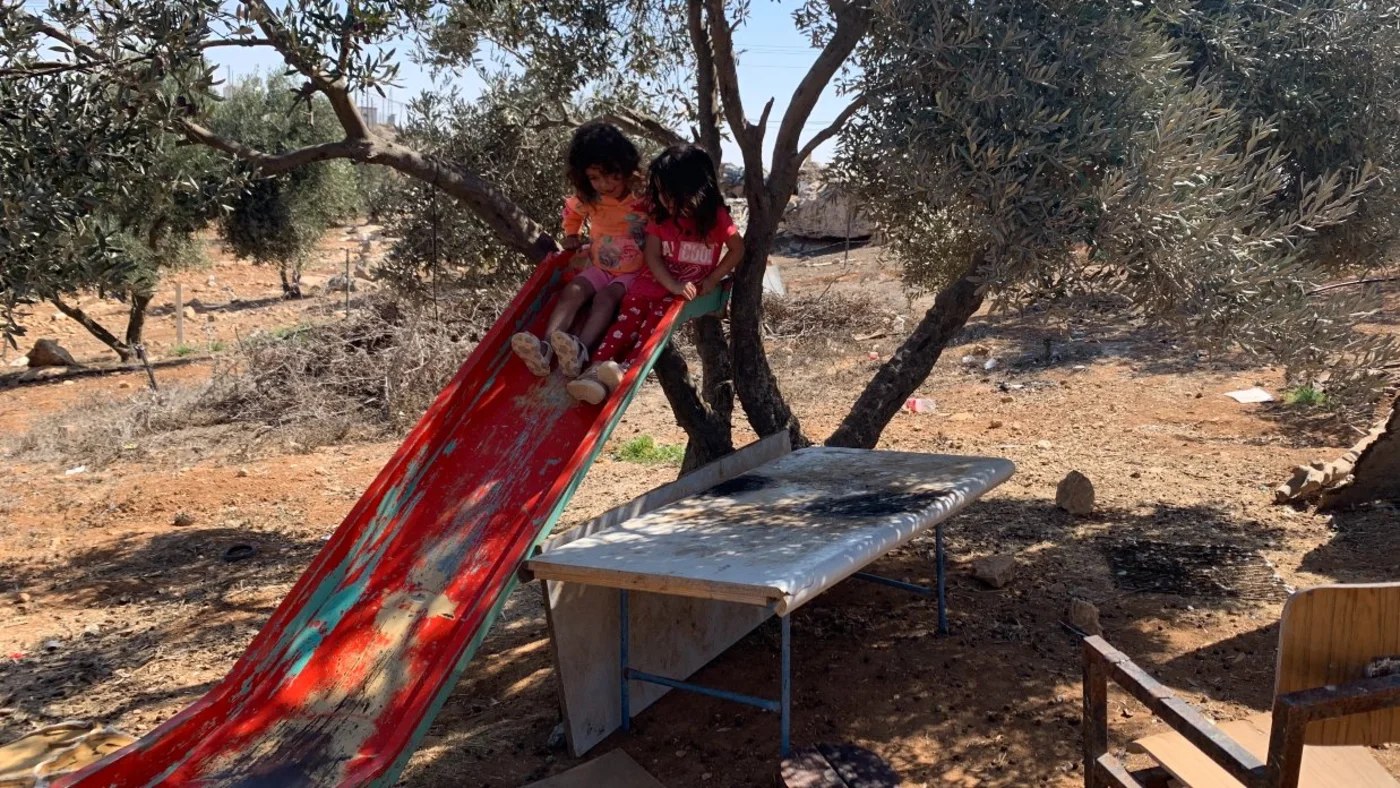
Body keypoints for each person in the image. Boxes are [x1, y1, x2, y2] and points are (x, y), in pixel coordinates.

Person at [567, 144, 744, 404]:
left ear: (696, 189)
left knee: (651, 331)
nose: (664, 200)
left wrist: (712, 279)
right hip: (653, 284)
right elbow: (652, 255)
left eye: (670, 194)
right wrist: (671, 283)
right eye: (660, 193)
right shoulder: (661, 218)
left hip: (679, 295)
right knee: (624, 325)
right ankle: (593, 373)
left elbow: (737, 249)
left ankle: (623, 370)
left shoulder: (715, 218)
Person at [511, 121, 649, 377]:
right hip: (600, 265)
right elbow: (572, 211)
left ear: (626, 166)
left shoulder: (642, 197)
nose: (604, 184)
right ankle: (546, 346)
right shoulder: (590, 199)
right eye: (594, 178)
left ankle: (581, 348)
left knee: (605, 298)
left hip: (633, 272)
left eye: (611, 174)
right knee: (572, 290)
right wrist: (571, 234)